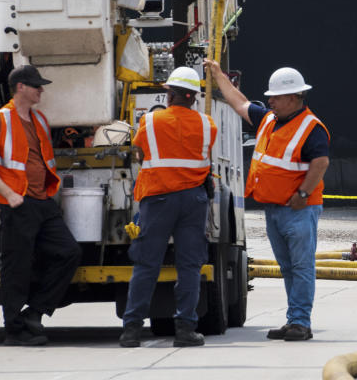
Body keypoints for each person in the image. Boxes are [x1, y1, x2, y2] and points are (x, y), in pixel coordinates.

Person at [205, 60, 329, 342]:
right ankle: (294, 319)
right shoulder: (269, 120)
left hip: (298, 210)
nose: (270, 100)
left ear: (294, 97)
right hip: (275, 209)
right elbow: (239, 103)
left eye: (275, 96)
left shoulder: (311, 128)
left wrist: (302, 195)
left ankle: (300, 322)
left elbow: (320, 163)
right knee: (288, 268)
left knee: (300, 266)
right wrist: (218, 76)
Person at [0, 65, 81, 346]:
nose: (41, 90)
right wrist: (9, 194)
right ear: (20, 87)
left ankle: (34, 312)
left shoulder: (40, 120)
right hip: (17, 203)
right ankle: (13, 330)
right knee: (16, 266)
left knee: (69, 252)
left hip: (42, 201)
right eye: (37, 86)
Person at [119, 66, 217, 348]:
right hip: (193, 201)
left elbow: (139, 152)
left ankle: (131, 330)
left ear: (170, 94)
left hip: (159, 199)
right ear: (194, 97)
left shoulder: (150, 122)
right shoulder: (207, 124)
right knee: (189, 265)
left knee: (147, 264)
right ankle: (186, 329)